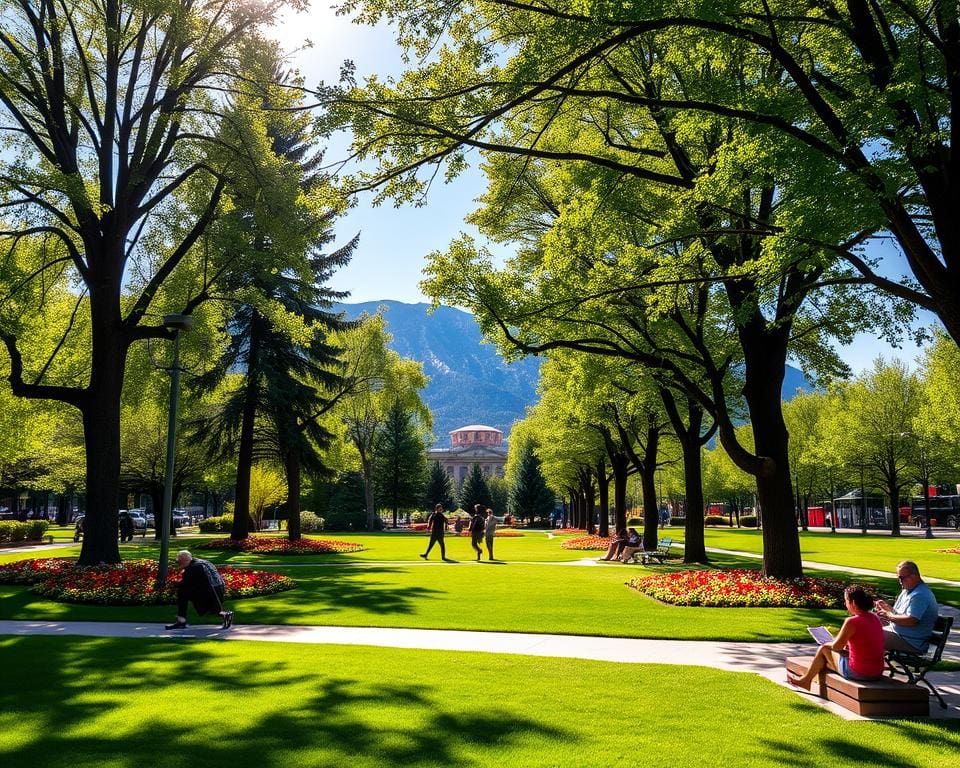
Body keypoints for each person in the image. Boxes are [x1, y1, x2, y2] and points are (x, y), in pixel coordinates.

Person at [787, 585, 885, 691]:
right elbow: (863, 642)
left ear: (852, 602)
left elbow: (836, 646)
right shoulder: (875, 618)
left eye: (846, 601)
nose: (845, 604)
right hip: (877, 672)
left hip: (859, 672)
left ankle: (805, 681)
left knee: (823, 649)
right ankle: (805, 680)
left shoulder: (852, 621)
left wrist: (826, 643)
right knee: (831, 654)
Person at [875, 560, 939, 652]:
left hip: (911, 642)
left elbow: (911, 620)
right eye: (898, 578)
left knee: (867, 632)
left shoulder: (920, 595)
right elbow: (899, 614)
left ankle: (863, 665)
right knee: (863, 623)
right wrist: (887, 609)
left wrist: (889, 614)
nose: (900, 581)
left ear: (914, 576)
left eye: (902, 578)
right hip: (899, 635)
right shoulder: (907, 591)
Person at [165, 550, 233, 630]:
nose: (179, 563)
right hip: (218, 587)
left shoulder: (193, 568)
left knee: (182, 594)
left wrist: (172, 584)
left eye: (180, 561)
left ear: (185, 560)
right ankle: (225, 614)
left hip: (211, 590)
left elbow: (186, 583)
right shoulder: (202, 562)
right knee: (185, 595)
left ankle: (181, 621)